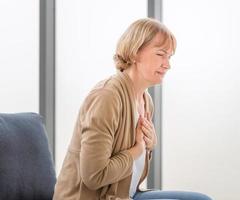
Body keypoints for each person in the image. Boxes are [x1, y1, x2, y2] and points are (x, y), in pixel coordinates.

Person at [53, 18, 212, 200]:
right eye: (161, 54)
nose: (168, 65)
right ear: (135, 53)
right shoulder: (107, 97)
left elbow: (133, 172)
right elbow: (94, 177)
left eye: (169, 57)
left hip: (126, 195)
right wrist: (137, 150)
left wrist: (149, 146)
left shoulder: (146, 100)